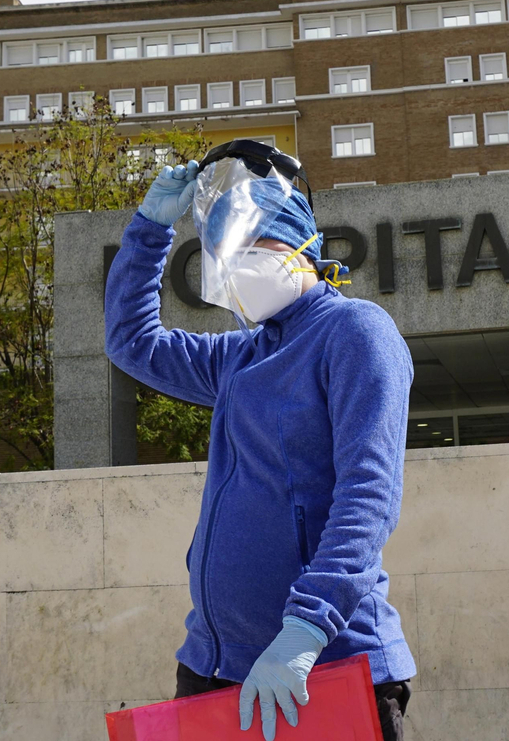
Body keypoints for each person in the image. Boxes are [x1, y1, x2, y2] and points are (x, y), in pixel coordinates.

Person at [105, 139, 415, 741]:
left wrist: (307, 627)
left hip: (321, 662)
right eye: (224, 254)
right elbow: (132, 343)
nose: (238, 265)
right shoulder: (240, 355)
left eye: (256, 244)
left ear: (305, 243)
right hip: (214, 664)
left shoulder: (355, 331)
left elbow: (368, 495)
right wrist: (148, 232)